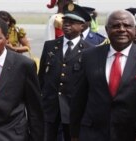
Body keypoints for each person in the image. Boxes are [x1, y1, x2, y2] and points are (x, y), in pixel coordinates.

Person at [70, 10, 136, 141]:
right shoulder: (89, 56)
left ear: (135, 29)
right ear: (106, 29)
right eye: (116, 26)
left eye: (127, 26)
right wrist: (74, 134)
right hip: (93, 134)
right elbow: (79, 98)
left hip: (135, 135)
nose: (121, 29)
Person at [39, 3, 92, 141]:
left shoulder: (90, 50)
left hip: (73, 109)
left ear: (82, 26)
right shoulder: (50, 46)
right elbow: (41, 77)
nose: (67, 25)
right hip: (50, 107)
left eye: (72, 22)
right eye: (65, 21)